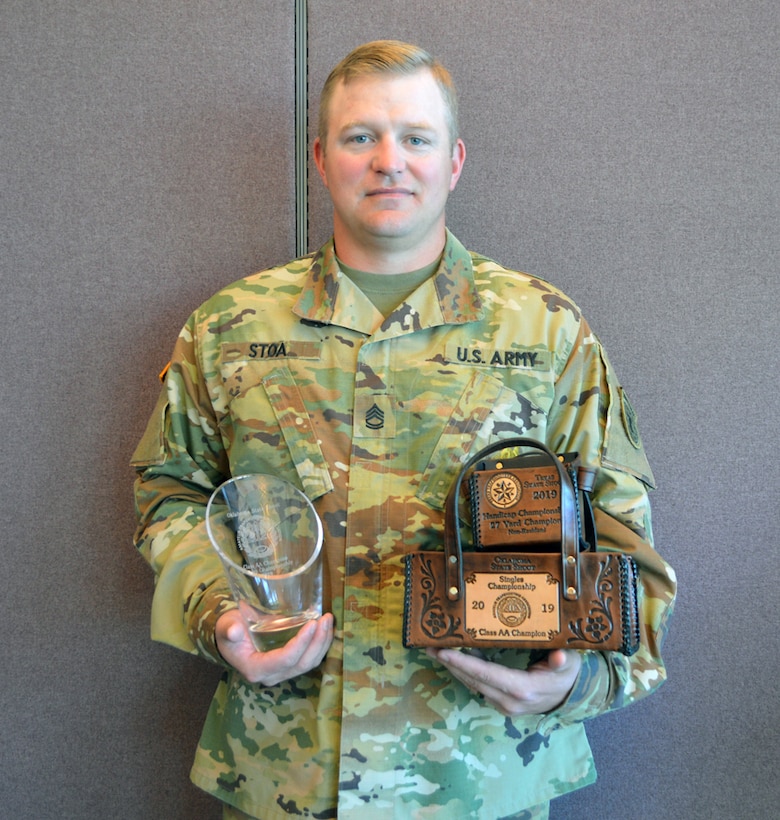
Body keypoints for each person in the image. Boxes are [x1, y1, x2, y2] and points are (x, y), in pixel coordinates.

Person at [131, 40, 676, 820]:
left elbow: (621, 529)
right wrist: (219, 614)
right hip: (289, 771)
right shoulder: (229, 329)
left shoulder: (546, 328)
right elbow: (171, 495)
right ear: (322, 159)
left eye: (415, 138)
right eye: (361, 137)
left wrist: (583, 677)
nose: (390, 160)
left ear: (453, 161)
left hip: (484, 771)